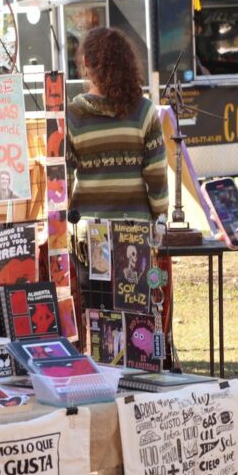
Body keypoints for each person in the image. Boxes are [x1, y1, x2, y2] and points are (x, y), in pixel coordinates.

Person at [66, 27, 169, 342]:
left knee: (99, 322)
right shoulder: (144, 112)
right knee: (134, 321)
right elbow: (156, 174)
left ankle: (101, 381)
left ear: (86, 63)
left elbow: (64, 175)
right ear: (128, 63)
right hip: (133, 234)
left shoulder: (71, 115)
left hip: (90, 235)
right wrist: (159, 215)